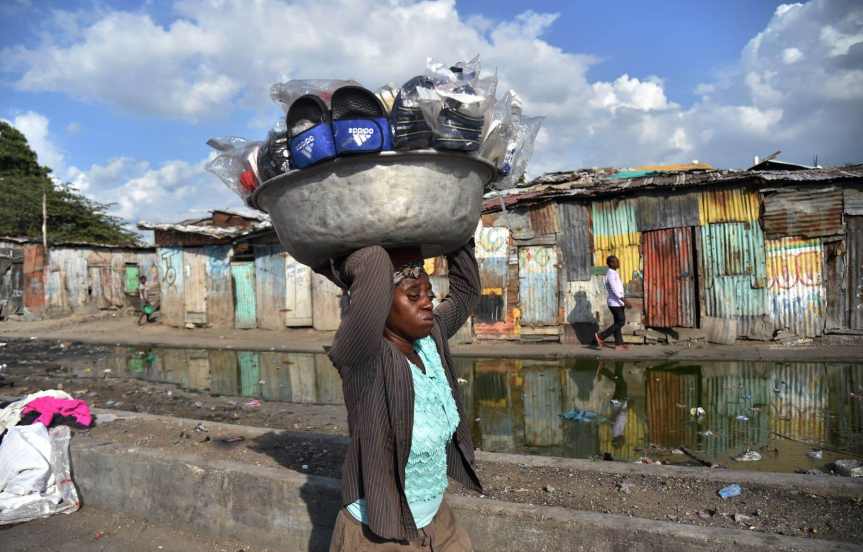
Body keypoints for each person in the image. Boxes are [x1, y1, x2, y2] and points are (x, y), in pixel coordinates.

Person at [323, 242, 481, 552]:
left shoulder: (430, 339)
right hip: (379, 533)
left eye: (429, 295)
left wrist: (460, 234)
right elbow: (373, 262)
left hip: (438, 522)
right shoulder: (363, 358)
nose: (427, 304)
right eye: (413, 295)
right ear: (380, 303)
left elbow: (466, 293)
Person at [594, 255, 631, 350]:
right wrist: (624, 300)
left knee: (617, 323)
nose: (618, 263)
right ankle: (601, 336)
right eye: (616, 261)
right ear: (611, 263)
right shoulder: (610, 274)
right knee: (621, 322)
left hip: (618, 302)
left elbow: (618, 288)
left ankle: (619, 345)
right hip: (615, 303)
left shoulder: (614, 273)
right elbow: (615, 289)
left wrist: (623, 301)